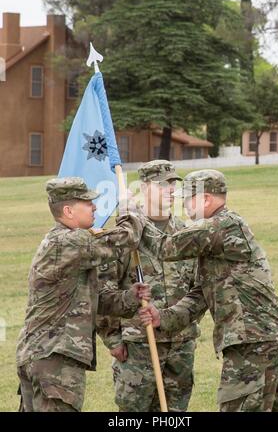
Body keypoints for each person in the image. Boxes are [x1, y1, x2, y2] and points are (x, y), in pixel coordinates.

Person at [139, 169, 278, 412]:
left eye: (188, 198)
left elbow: (164, 247)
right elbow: (199, 295)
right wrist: (164, 317)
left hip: (253, 345)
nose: (184, 204)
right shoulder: (214, 239)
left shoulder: (220, 225)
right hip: (271, 341)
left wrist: (134, 219)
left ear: (205, 199)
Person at [16, 177, 150, 412]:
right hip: (54, 358)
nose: (95, 207)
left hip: (43, 355)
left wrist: (130, 297)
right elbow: (126, 238)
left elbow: (94, 301)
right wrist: (130, 209)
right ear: (68, 210)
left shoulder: (65, 245)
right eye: (87, 202)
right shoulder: (68, 242)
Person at [97, 160, 200, 411]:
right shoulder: (127, 234)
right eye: (162, 184)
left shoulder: (185, 233)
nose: (171, 189)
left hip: (180, 344)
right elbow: (102, 290)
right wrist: (113, 340)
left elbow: (198, 287)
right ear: (144, 188)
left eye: (173, 183)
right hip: (137, 345)